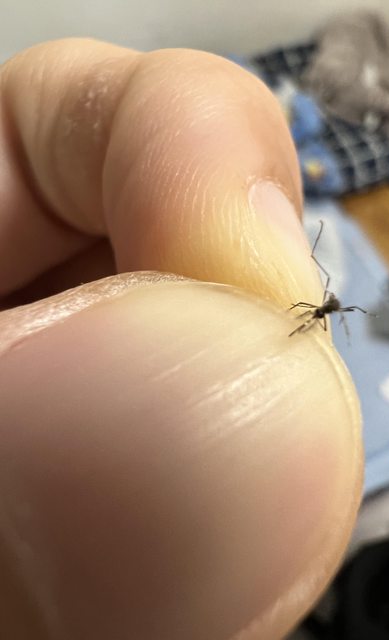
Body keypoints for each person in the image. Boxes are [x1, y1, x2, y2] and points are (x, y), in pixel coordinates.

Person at [0, 40, 362, 640]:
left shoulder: (324, 305)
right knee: (293, 304)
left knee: (303, 311)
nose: (328, 308)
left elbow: (324, 304)